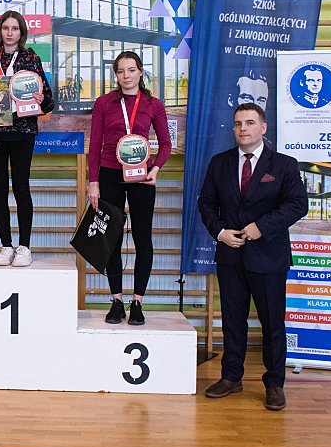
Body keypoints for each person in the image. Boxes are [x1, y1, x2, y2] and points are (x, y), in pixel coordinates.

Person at [198, 102, 308, 411]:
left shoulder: (284, 165)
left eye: (249, 123)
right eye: (238, 124)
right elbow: (206, 203)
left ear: (263, 128)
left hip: (269, 257)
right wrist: (220, 232)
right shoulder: (219, 163)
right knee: (233, 320)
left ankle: (274, 383)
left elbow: (298, 204)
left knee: (272, 324)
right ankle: (231, 377)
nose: (242, 128)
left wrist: (262, 227)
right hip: (230, 255)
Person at [87, 51, 171, 326]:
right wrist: (93, 182)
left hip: (141, 176)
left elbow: (166, 144)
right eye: (121, 71)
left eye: (132, 70)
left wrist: (155, 171)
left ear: (140, 72)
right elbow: (95, 145)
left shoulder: (153, 104)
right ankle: (116, 301)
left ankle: (137, 302)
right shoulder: (104, 103)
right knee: (111, 238)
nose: (126, 76)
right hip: (110, 174)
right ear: (116, 75)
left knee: (142, 239)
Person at [0, 10, 54, 267]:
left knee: (21, 187)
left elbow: (48, 101)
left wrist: (41, 99)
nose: (9, 33)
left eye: (14, 28)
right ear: (0, 31)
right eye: (6, 28)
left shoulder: (31, 59)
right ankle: (6, 245)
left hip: (23, 133)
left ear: (21, 32)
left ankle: (24, 247)